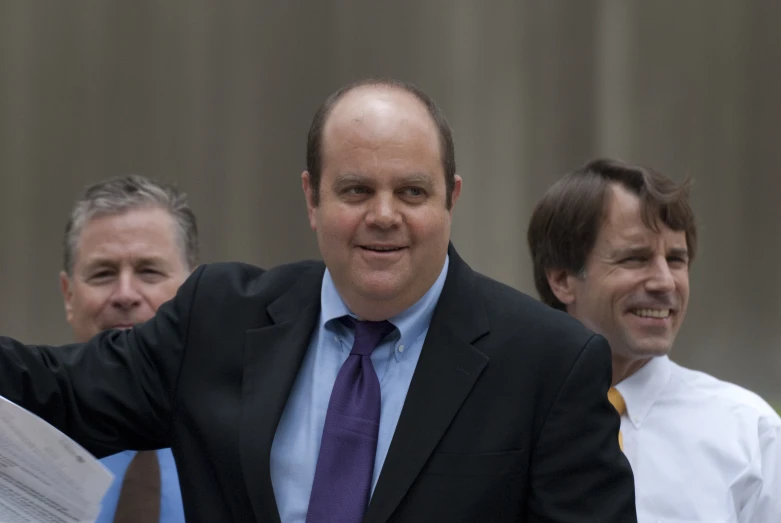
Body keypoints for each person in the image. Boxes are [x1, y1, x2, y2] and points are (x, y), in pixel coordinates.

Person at [0, 79, 637, 522]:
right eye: (356, 190)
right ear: (312, 198)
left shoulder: (549, 363)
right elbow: (51, 391)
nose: (383, 216)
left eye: (412, 193)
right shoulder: (218, 318)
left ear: (452, 198)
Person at [527, 157, 781, 522]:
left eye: (676, 260)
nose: (664, 282)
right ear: (563, 280)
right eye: (635, 258)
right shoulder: (503, 421)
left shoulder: (751, 433)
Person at [58, 175, 193, 522]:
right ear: (68, 295)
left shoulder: (252, 435)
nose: (125, 295)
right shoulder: (14, 438)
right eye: (103, 273)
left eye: (149, 271)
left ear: (194, 291)